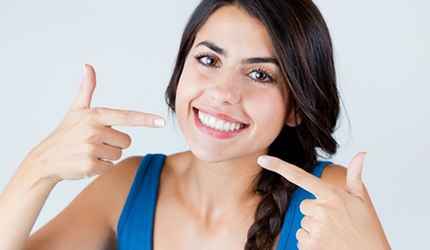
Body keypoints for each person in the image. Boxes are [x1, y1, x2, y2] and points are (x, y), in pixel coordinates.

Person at [0, 0, 390, 249]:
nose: (223, 92)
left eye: (260, 75)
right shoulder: (128, 186)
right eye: (208, 60)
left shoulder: (329, 198)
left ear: (296, 107)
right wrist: (39, 168)